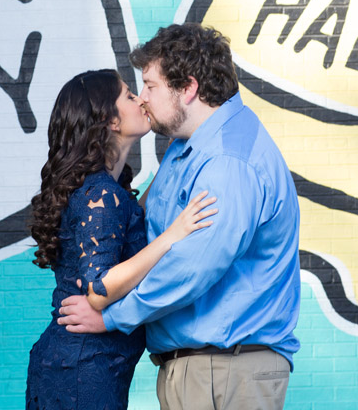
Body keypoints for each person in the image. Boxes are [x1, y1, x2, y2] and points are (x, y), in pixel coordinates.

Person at [57, 24, 301, 410]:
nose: (144, 100)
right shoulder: (184, 148)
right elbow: (145, 229)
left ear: (187, 87)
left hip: (226, 371)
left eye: (150, 86)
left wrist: (112, 316)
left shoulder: (227, 162)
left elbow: (191, 270)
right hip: (198, 370)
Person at [26, 68, 218, 410]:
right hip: (83, 372)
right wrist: (172, 236)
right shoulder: (100, 195)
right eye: (130, 95)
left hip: (83, 365)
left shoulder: (109, 192)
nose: (141, 99)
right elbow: (99, 290)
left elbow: (129, 223)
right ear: (110, 120)